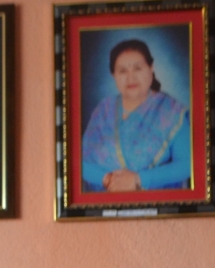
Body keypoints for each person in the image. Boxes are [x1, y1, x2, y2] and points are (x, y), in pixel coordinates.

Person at [80, 39, 192, 193]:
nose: (130, 77)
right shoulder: (103, 110)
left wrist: (139, 179)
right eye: (123, 71)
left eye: (137, 68)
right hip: (105, 208)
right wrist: (108, 180)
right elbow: (79, 163)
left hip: (158, 209)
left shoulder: (169, 111)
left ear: (151, 68)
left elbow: (187, 165)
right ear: (113, 75)